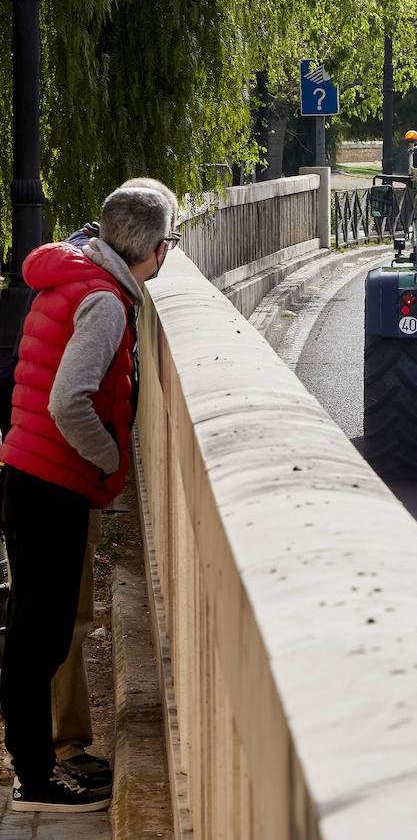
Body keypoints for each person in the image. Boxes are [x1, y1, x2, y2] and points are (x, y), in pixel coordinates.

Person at [1, 185, 174, 812]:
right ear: (154, 249)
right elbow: (69, 399)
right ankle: (35, 780)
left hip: (28, 474)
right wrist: (111, 461)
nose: (166, 260)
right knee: (41, 637)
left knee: (33, 631)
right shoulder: (104, 303)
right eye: (168, 248)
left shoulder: (71, 280)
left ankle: (34, 767)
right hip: (52, 486)